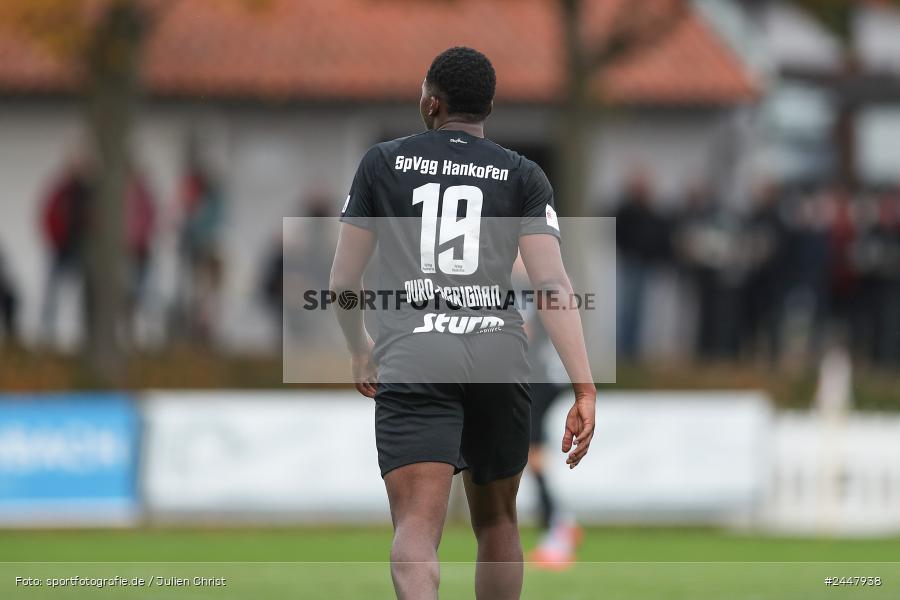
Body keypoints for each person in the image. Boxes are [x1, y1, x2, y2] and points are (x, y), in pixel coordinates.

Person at [330, 47, 596, 600]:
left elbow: (341, 282)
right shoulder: (522, 174)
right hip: (498, 355)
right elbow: (552, 285)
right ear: (489, 107)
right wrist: (584, 386)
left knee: (416, 528)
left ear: (431, 102)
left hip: (415, 352)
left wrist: (359, 347)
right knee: (498, 521)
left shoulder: (383, 163)